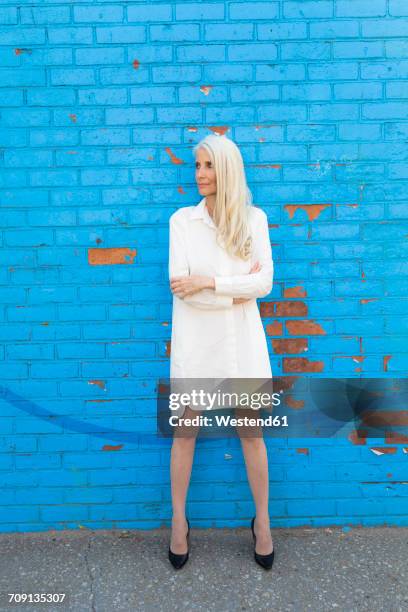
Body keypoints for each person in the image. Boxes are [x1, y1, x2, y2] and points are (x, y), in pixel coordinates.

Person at [167, 134, 275, 570]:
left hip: (243, 345)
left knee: (252, 433)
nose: (200, 175)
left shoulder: (254, 219)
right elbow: (181, 287)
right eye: (196, 166)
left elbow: (264, 284)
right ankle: (178, 522)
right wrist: (237, 290)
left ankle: (263, 522)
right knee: (185, 433)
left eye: (208, 166)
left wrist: (210, 282)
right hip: (195, 344)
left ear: (227, 169)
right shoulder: (182, 222)